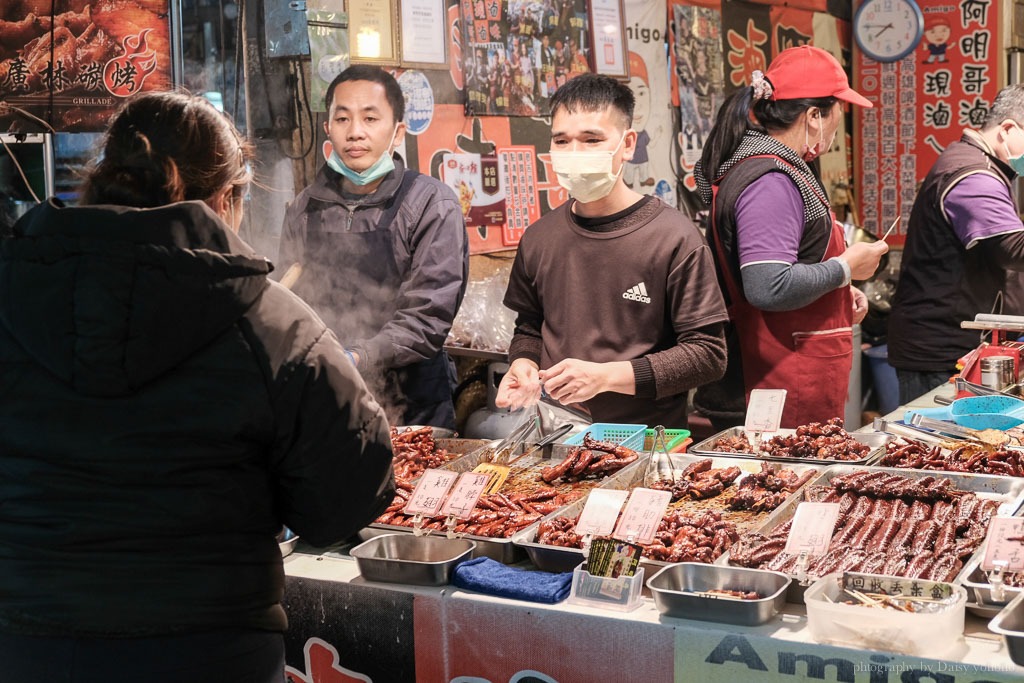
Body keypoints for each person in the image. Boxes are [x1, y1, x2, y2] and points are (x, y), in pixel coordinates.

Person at [0, 91, 396, 682]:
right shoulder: (273, 324)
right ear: (225, 199)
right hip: (209, 650)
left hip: (24, 645)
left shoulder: (10, 298)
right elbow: (343, 500)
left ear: (101, 179)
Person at [496, 73, 729, 427]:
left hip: (649, 439)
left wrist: (606, 377)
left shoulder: (674, 238)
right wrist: (523, 363)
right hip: (554, 432)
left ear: (628, 144)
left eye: (592, 140)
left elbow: (708, 355)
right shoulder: (539, 238)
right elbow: (529, 327)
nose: (574, 153)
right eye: (561, 140)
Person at [692, 45, 888, 428]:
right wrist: (845, 268)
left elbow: (788, 265)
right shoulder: (771, 181)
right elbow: (768, 286)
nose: (837, 126)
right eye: (837, 113)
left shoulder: (783, 169)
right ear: (814, 116)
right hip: (769, 388)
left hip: (792, 378)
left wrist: (837, 293)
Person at [278, 65, 469, 429]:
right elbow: (289, 303)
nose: (355, 133)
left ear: (397, 132)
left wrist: (357, 357)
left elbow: (427, 317)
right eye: (343, 118)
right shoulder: (304, 208)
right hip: (326, 393)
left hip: (413, 404)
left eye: (370, 118)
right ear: (327, 129)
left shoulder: (431, 204)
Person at [889, 84, 1024, 403]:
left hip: (959, 344)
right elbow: (1012, 249)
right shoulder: (972, 173)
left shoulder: (985, 166)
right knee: (938, 450)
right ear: (1007, 129)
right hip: (943, 354)